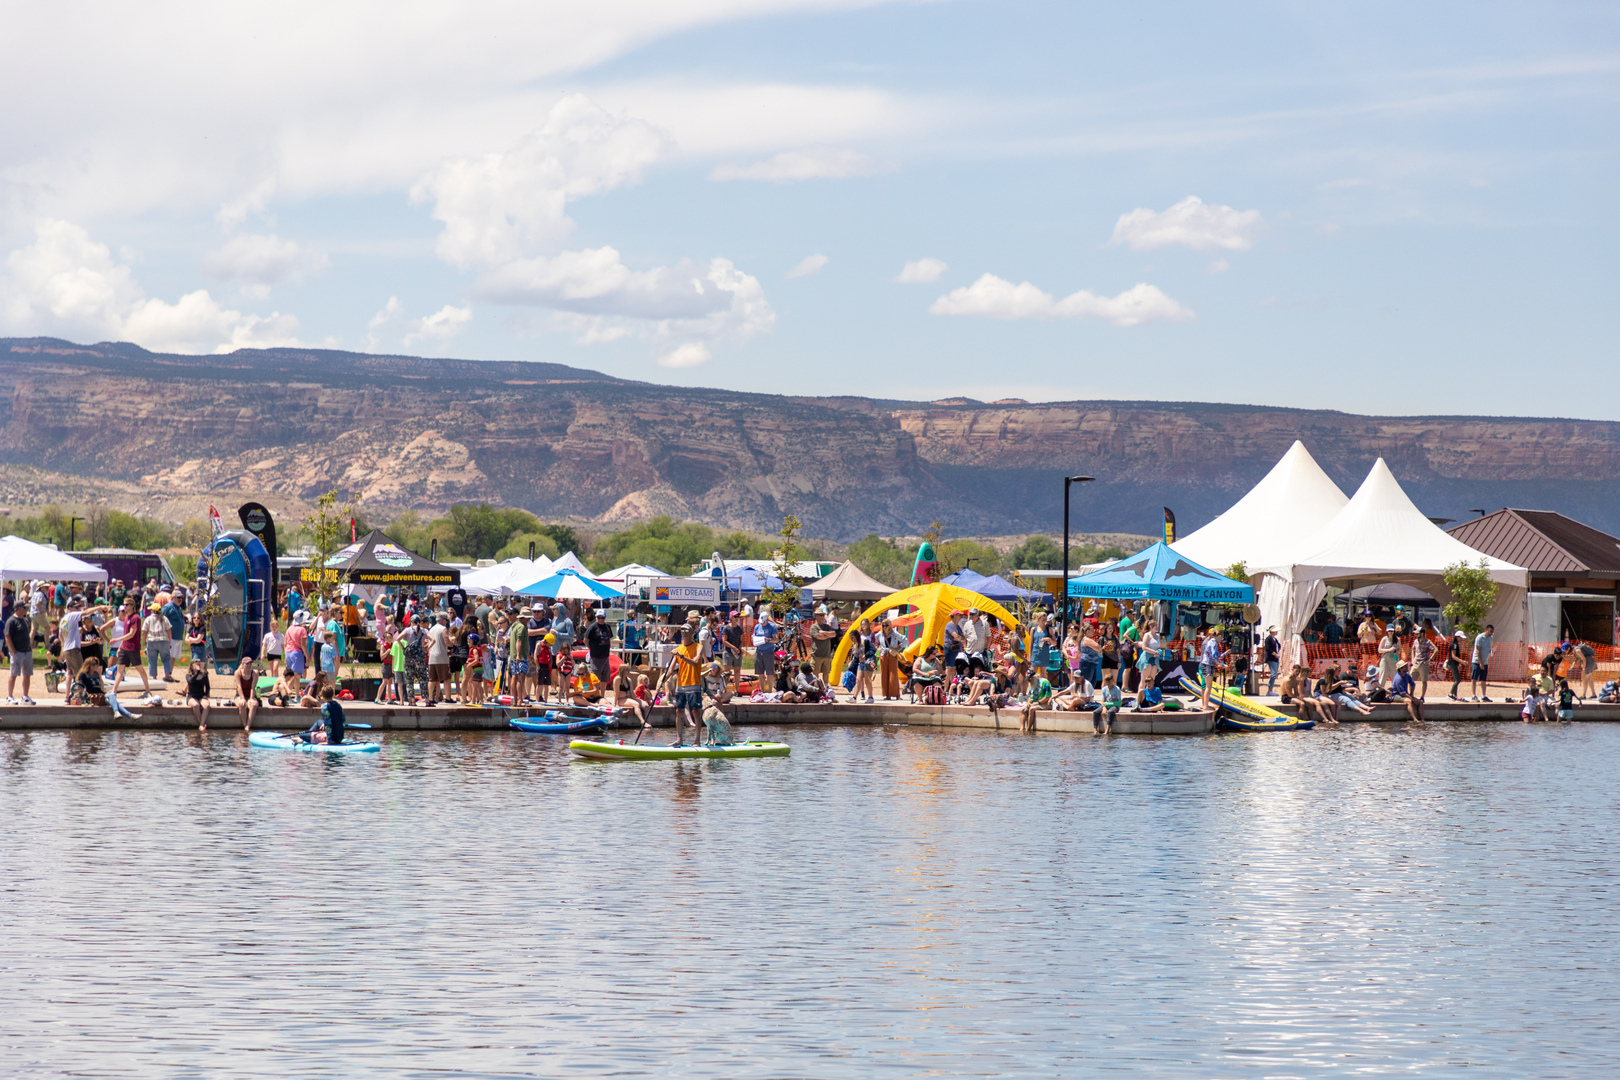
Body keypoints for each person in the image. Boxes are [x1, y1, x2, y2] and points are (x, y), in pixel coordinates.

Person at [663, 626, 704, 746]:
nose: (684, 633)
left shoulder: (698, 647)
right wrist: (664, 678)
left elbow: (695, 662)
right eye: (683, 631)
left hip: (694, 683)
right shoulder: (678, 648)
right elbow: (671, 668)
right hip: (681, 684)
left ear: (692, 632)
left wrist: (681, 656)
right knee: (678, 711)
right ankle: (679, 739)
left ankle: (697, 740)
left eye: (687, 631)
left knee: (695, 711)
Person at [4, 599, 37, 705]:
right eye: (24, 607)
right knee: (13, 674)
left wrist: (30, 647)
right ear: (18, 609)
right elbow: (8, 637)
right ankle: (10, 696)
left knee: (27, 674)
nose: (26, 609)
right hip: (17, 652)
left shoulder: (25, 620)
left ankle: (25, 696)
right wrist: (13, 651)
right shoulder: (11, 621)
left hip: (27, 651)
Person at [142, 602, 172, 683]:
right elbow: (169, 631)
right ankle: (167, 675)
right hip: (163, 640)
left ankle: (154, 678)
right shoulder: (164, 618)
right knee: (166, 658)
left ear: (152, 611)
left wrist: (145, 642)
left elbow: (144, 632)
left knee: (152, 660)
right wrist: (170, 642)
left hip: (151, 641)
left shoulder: (148, 619)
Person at [585, 609, 615, 690]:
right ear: (596, 617)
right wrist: (591, 649)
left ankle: (602, 695)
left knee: (604, 678)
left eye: (602, 618)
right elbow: (586, 640)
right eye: (599, 618)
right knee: (595, 677)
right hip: (596, 657)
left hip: (605, 656)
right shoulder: (592, 627)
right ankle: (594, 694)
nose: (601, 619)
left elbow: (609, 639)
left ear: (605, 618)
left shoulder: (607, 626)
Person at [810, 605, 838, 687]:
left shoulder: (826, 626)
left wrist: (823, 632)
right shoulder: (813, 627)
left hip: (827, 654)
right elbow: (818, 637)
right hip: (817, 654)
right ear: (816, 616)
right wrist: (827, 635)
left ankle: (826, 687)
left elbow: (834, 634)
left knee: (826, 673)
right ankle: (817, 687)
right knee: (816, 673)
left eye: (823, 615)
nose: (822, 617)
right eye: (820, 615)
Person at [426, 612, 451, 705]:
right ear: (442, 619)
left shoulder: (431, 629)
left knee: (432, 679)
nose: (446, 622)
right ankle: (448, 697)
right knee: (447, 679)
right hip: (442, 657)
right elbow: (447, 642)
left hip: (432, 657)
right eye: (446, 620)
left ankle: (430, 698)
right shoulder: (443, 629)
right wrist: (453, 644)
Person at [1198, 628, 1224, 711]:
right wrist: (1220, 664)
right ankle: (1205, 706)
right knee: (1208, 687)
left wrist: (1225, 654)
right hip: (1207, 665)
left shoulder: (1210, 642)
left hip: (1204, 664)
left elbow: (1217, 656)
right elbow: (1214, 656)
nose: (1221, 640)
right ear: (1219, 636)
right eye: (1221, 638)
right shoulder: (1214, 643)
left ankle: (1204, 704)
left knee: (1206, 686)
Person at [752, 607, 777, 690]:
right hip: (759, 652)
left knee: (769, 673)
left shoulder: (772, 627)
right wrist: (754, 638)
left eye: (763, 622)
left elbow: (776, 639)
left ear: (767, 620)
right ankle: (763, 690)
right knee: (760, 673)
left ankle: (770, 690)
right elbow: (754, 636)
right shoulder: (757, 627)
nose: (762, 624)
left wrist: (768, 639)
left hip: (768, 652)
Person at [184, 658, 212, 730]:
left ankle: (201, 725)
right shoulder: (188, 675)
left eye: (199, 664)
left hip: (201, 695)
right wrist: (197, 673)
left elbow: (208, 687)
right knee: (196, 705)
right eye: (196, 664)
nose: (198, 665)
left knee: (206, 705)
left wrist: (206, 695)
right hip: (192, 696)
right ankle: (201, 724)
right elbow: (191, 681)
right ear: (192, 666)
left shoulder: (204, 674)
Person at [234, 656, 261, 731]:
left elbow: (253, 687)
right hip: (240, 695)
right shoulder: (238, 672)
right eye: (247, 664)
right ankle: (244, 724)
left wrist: (251, 698)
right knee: (242, 704)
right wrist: (242, 698)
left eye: (250, 664)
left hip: (250, 695)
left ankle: (248, 726)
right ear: (243, 664)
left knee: (253, 705)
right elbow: (239, 687)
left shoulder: (254, 673)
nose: (249, 666)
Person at [1412, 619, 1436, 699]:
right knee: (1411, 680)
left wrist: (1430, 659)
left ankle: (1422, 696)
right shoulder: (1415, 641)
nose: (1416, 635)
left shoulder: (1427, 642)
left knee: (1424, 681)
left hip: (1423, 664)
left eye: (1417, 634)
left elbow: (1436, 650)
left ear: (1422, 634)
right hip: (1415, 663)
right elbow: (1413, 649)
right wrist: (1413, 658)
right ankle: (1411, 695)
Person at [1470, 624, 1495, 702]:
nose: (1490, 634)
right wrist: (1480, 663)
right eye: (1489, 632)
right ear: (1486, 630)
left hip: (1485, 661)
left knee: (1483, 679)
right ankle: (1473, 695)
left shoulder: (1490, 638)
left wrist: (1491, 652)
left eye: (1492, 632)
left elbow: (1488, 648)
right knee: (1474, 678)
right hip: (1477, 661)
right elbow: (1477, 651)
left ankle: (1483, 695)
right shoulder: (1479, 637)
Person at [1445, 629, 1466, 700]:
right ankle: (1450, 694)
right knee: (1457, 680)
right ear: (1457, 637)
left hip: (1454, 664)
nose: (1462, 639)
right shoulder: (1454, 645)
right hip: (1452, 664)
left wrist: (1459, 664)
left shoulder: (1455, 644)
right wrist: (1462, 661)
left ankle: (1455, 695)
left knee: (1455, 680)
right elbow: (1453, 656)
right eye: (1461, 637)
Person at [1261, 626, 1281, 695]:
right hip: (1271, 658)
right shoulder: (1268, 639)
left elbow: (1278, 646)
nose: (1276, 632)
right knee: (1273, 674)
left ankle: (1271, 689)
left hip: (1276, 658)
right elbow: (1267, 648)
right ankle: (1270, 689)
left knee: (1275, 674)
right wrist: (1274, 654)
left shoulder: (1275, 639)